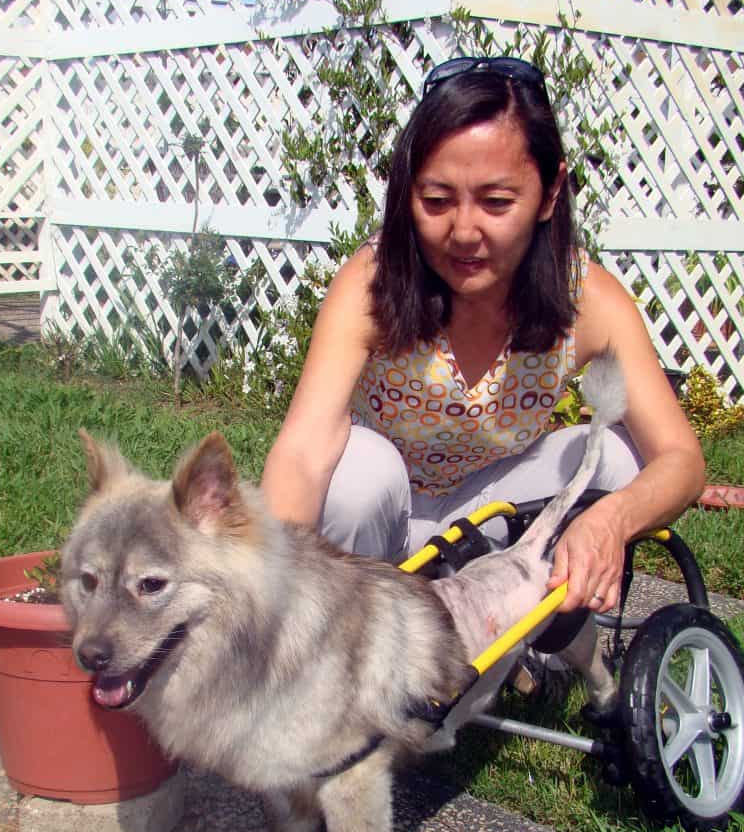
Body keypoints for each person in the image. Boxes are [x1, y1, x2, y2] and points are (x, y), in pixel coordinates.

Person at [261, 56, 704, 617]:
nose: (463, 232)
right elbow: (302, 451)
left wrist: (610, 520)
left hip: (494, 520)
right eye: (436, 201)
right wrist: (269, 598)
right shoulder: (372, 284)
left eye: (496, 202)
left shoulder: (588, 299)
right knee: (356, 472)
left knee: (612, 460)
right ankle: (350, 635)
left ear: (549, 193)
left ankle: (522, 632)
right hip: (384, 530)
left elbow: (681, 459)